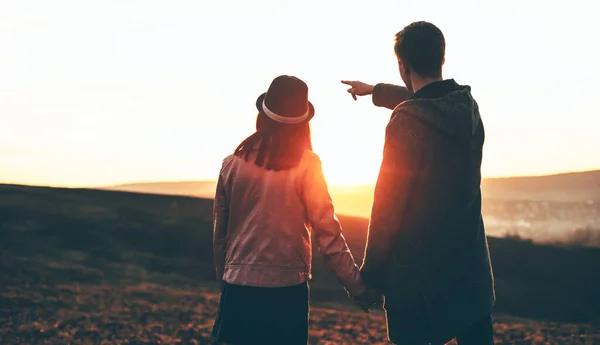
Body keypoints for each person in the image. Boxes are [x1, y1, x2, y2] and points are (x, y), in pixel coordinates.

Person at [342, 21, 496, 345]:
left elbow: (387, 206)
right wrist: (375, 90)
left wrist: (371, 276)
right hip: (471, 274)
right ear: (442, 58)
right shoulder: (467, 107)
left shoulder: (406, 122)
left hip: (418, 281)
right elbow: (428, 102)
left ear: (403, 65)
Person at [211, 75, 378, 345]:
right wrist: (358, 288)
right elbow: (329, 236)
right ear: (303, 124)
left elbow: (220, 238)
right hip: (286, 295)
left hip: (237, 291)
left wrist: (227, 285)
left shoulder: (231, 164)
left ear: (262, 116)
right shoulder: (308, 166)